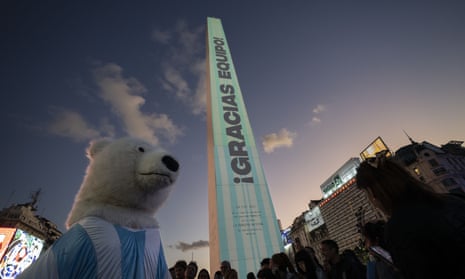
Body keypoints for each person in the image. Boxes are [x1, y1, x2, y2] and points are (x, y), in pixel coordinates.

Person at [356, 157, 465, 279]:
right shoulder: (454, 198)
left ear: (374, 193)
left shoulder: (398, 229)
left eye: (368, 195)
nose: (372, 201)